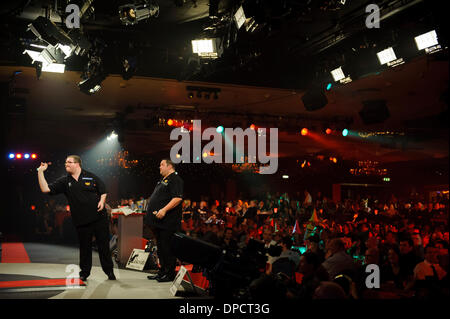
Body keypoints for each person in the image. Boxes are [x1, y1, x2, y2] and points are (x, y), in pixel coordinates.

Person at [37, 155, 115, 281]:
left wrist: (102, 200)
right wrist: (40, 172)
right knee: (84, 248)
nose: (66, 164)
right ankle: (84, 272)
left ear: (77, 164)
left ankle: (109, 271)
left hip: (99, 217)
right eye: (65, 162)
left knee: (103, 246)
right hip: (81, 220)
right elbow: (45, 189)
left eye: (69, 162)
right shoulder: (64, 181)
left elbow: (103, 189)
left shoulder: (91, 176)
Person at [145, 159, 183, 282]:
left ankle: (169, 274)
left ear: (170, 166)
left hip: (169, 222)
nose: (159, 167)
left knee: (167, 248)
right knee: (161, 248)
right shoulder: (163, 180)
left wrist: (164, 210)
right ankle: (162, 272)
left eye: (162, 165)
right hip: (159, 223)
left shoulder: (175, 179)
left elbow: (177, 198)